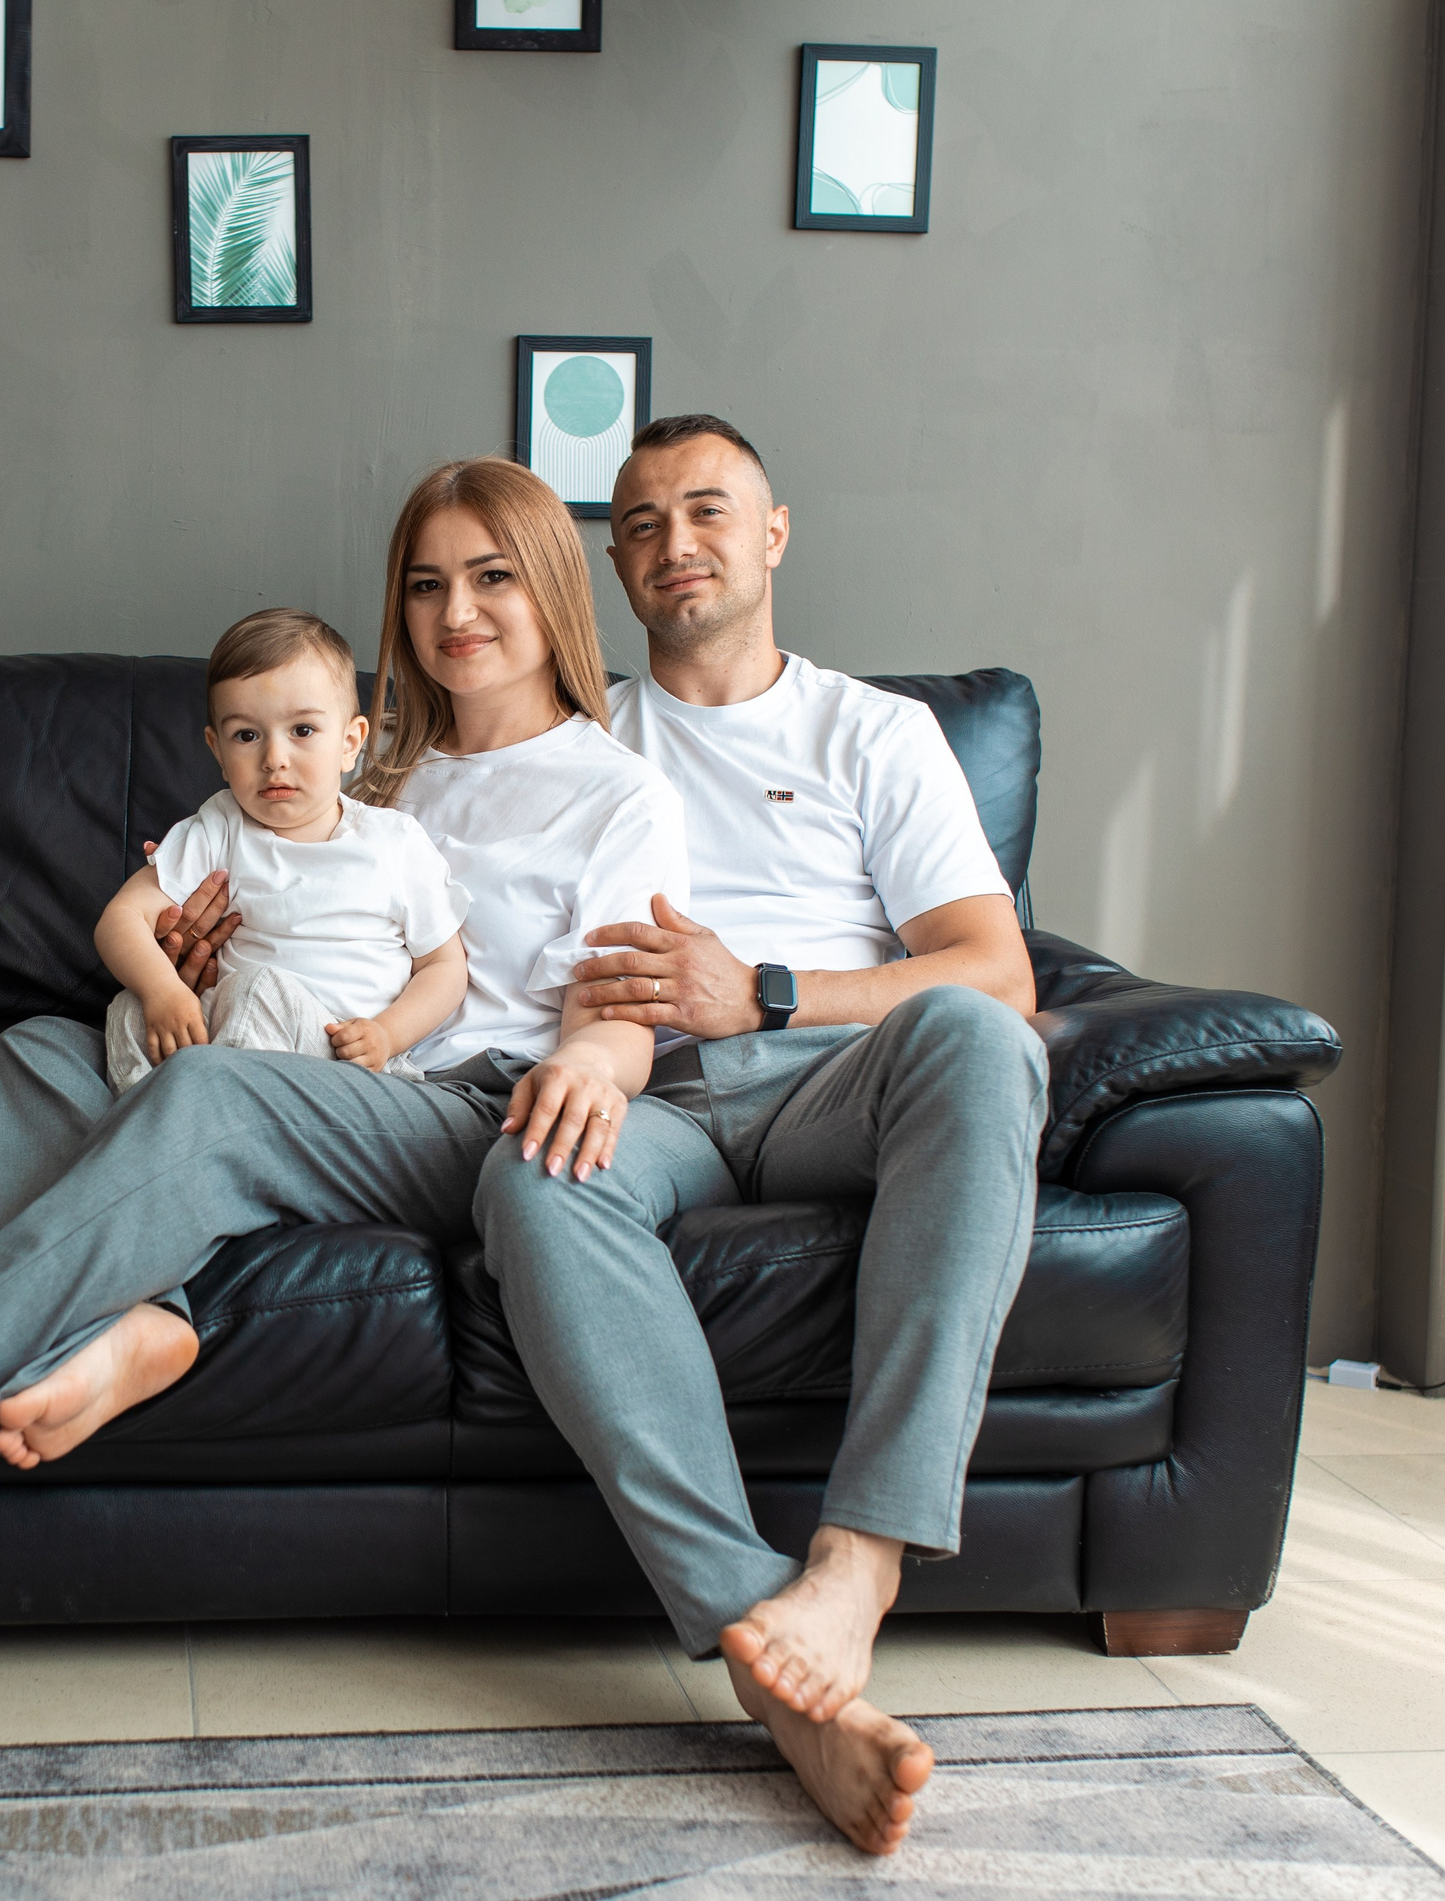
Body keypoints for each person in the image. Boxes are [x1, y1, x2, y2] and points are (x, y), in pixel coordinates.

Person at [0, 452, 682, 1505]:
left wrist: (532, 1053)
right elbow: (237, 911)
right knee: (38, 1051)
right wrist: (183, 966)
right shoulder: (363, 773)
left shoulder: (617, 790)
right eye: (425, 582)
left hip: (440, 1099)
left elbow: (572, 1005)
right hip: (264, 1059)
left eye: (492, 575)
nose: (455, 608)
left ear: (552, 582)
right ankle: (140, 1323)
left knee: (203, 1089)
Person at [466, 412, 1048, 1856]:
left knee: (981, 1038)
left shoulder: (875, 730)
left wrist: (768, 992)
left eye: (709, 512)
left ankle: (859, 1560)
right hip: (647, 1097)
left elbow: (996, 968)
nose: (678, 545)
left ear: (774, 534)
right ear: (614, 560)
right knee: (535, 1174)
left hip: (832, 1085)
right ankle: (762, 1641)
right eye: (645, 524)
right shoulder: (574, 728)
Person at [100, 607, 469, 1092]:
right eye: (247, 736)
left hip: (343, 1057)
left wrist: (387, 1033)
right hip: (226, 1036)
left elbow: (444, 968)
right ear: (218, 752)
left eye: (302, 731)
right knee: (126, 1007)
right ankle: (147, 1124)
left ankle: (195, 1128)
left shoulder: (393, 842)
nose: (274, 759)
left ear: (350, 742)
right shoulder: (220, 825)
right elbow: (121, 919)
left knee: (259, 987)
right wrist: (162, 989)